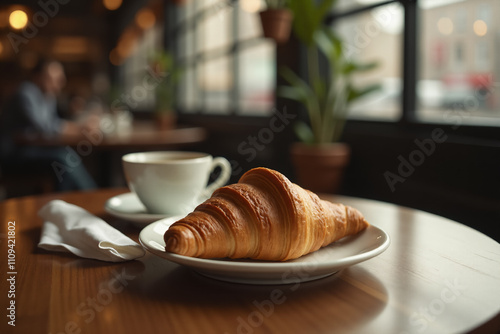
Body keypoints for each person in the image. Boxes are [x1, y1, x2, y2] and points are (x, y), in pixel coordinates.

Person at [0, 58, 98, 191]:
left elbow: (54, 123)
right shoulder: (25, 93)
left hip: (34, 149)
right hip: (14, 154)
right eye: (53, 78)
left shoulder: (48, 95)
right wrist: (80, 128)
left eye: (60, 78)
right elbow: (46, 127)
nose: (60, 82)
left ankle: (66, 203)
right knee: (64, 158)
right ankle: (91, 196)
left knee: (64, 159)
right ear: (37, 77)